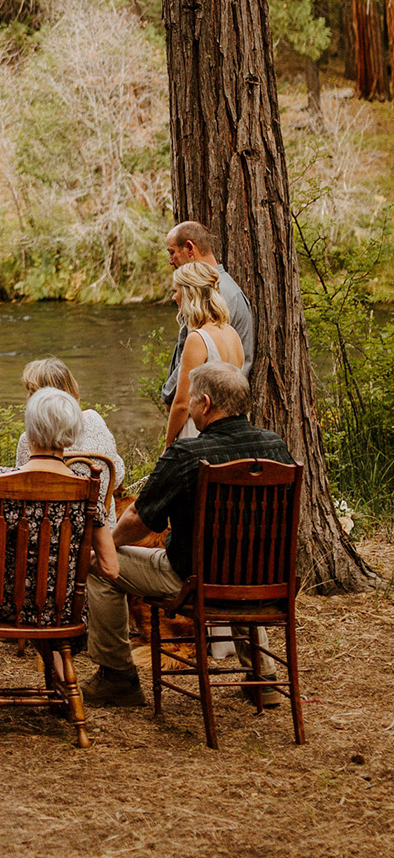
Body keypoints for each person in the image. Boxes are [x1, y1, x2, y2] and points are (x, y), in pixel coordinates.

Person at [84, 361, 294, 705]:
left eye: (192, 398)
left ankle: (117, 677)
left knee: (102, 569)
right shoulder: (276, 448)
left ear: (205, 404)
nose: (189, 404)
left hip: (196, 580)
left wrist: (106, 546)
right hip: (263, 580)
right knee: (240, 563)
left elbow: (140, 518)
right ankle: (265, 677)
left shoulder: (188, 454)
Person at [13, 358, 124, 518]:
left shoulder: (31, 439)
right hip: (102, 526)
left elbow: (21, 491)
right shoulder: (95, 419)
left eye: (31, 392)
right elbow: (117, 476)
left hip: (52, 531)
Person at [161, 219, 253, 407]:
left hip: (209, 407)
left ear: (189, 248)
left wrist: (169, 396)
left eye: (172, 253)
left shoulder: (213, 295)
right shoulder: (221, 289)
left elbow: (198, 357)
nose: (171, 261)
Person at [165, 263, 245, 447]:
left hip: (198, 433)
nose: (174, 297)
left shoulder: (198, 339)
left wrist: (168, 446)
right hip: (228, 437)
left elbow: (182, 403)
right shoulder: (232, 334)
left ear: (189, 294)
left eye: (176, 291)